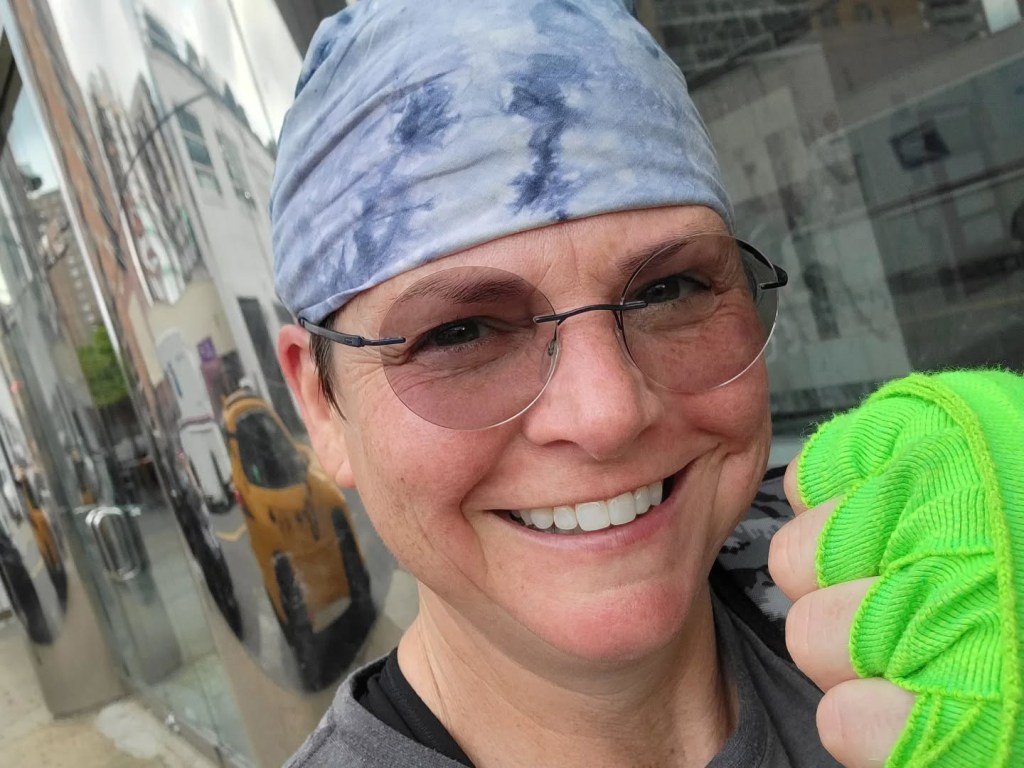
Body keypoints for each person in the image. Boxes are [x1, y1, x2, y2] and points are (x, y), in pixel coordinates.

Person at [270, 1, 919, 765]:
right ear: (322, 405)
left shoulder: (912, 580)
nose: (607, 414)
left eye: (668, 290)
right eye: (462, 332)